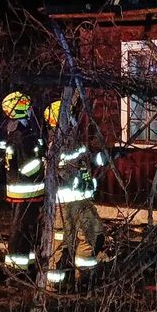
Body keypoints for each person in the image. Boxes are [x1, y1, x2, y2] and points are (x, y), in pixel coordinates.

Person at [45, 98, 109, 289]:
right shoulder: (55, 144)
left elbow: (86, 160)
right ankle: (56, 285)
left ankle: (85, 278)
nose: (74, 118)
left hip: (81, 200)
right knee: (61, 242)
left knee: (91, 235)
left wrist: (106, 155)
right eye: (70, 115)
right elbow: (62, 171)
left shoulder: (73, 139)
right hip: (64, 204)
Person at [0, 91, 46, 274]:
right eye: (27, 106)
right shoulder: (22, 136)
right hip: (26, 191)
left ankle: (26, 262)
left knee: (25, 228)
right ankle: (17, 269)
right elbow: (27, 168)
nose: (31, 109)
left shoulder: (14, 131)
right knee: (21, 229)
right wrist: (43, 162)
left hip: (22, 190)